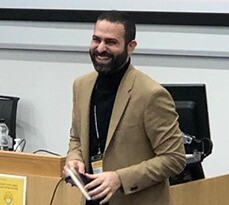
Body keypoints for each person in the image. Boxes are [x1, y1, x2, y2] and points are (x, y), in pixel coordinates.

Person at [63, 10, 186, 205]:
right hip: (91, 200)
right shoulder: (81, 85)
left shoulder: (151, 94)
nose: (101, 48)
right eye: (96, 39)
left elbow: (174, 158)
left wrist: (120, 179)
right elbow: (76, 138)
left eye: (111, 42)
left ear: (131, 47)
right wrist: (74, 159)